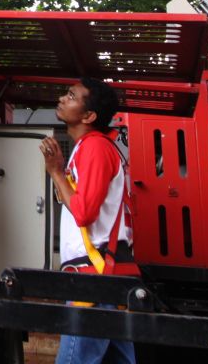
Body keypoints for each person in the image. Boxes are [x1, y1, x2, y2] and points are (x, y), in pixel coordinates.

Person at [39, 78, 136, 364]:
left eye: (71, 96)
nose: (62, 98)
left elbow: (84, 213)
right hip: (107, 274)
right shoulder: (91, 147)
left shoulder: (94, 147)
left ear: (88, 116)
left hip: (95, 279)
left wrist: (56, 172)